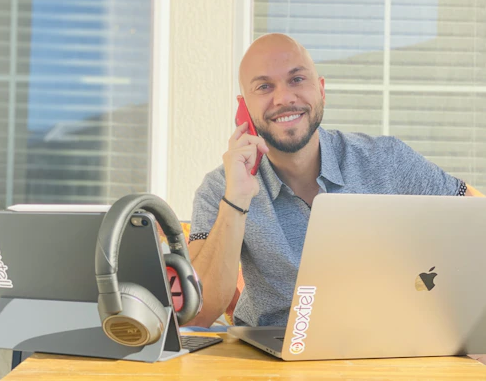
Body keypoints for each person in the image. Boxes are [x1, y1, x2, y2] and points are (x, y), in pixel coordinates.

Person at [186, 33, 482, 328]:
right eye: (264, 86)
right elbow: (199, 312)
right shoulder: (220, 188)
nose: (284, 98)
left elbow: (475, 218)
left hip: (386, 345)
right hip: (269, 359)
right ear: (244, 108)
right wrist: (236, 199)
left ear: (322, 90)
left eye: (297, 79)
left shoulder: (386, 159)